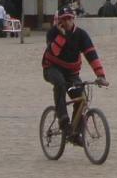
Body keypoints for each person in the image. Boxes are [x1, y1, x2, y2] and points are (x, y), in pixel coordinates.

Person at [42, 7, 108, 142]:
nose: (67, 22)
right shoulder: (52, 33)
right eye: (64, 19)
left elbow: (91, 55)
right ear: (59, 21)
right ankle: (63, 120)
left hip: (71, 73)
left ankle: (74, 132)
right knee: (59, 83)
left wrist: (100, 75)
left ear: (74, 19)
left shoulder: (81, 35)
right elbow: (54, 52)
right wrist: (61, 35)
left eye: (69, 18)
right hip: (51, 69)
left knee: (81, 97)